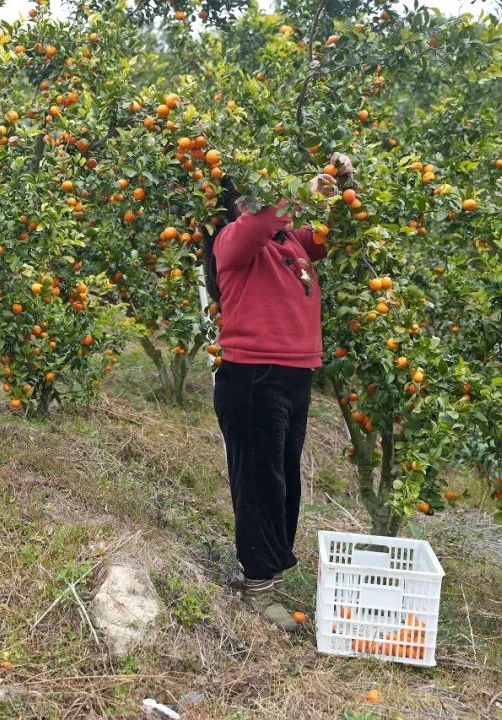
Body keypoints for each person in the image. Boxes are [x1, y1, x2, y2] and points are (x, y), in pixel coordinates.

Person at [208, 155, 353, 631]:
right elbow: (261, 220)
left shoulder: (291, 241)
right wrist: (304, 188)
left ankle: (268, 574)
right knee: (259, 481)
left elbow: (332, 233)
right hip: (253, 375)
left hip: (294, 374)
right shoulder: (233, 240)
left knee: (283, 479)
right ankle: (257, 586)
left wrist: (341, 185)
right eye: (255, 197)